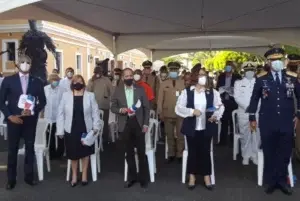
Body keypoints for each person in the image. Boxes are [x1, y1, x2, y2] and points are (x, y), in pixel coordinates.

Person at [247, 48, 300, 195]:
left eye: (279, 60)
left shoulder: (292, 77)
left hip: (286, 121)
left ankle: (282, 182)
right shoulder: (261, 78)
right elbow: (254, 99)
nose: (276, 62)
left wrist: (298, 114)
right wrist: (252, 117)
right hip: (267, 121)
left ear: (283, 61)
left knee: (284, 152)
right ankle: (271, 181)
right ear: (268, 62)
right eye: (273, 60)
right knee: (269, 151)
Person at [0, 54, 46, 190]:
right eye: (22, 62)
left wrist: (33, 111)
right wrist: (9, 116)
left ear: (31, 65)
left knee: (30, 149)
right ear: (18, 64)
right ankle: (11, 179)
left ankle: (29, 177)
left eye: (28, 62)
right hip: (14, 120)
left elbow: (43, 101)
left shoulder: (37, 81)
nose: (25, 64)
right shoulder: (8, 81)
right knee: (12, 150)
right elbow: (1, 102)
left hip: (30, 120)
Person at [175, 64, 224, 190]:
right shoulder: (187, 92)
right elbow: (179, 108)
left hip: (206, 127)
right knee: (192, 152)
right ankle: (192, 176)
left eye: (204, 74)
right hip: (192, 127)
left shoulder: (212, 92)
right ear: (195, 77)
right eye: (200, 74)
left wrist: (215, 116)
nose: (203, 77)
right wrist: (192, 111)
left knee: (205, 151)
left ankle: (207, 176)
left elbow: (219, 106)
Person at [56, 75, 100, 187]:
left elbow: (95, 113)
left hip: (86, 128)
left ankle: (84, 174)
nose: (78, 83)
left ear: (84, 83)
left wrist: (96, 127)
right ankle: (74, 175)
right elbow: (60, 113)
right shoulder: (66, 96)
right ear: (72, 83)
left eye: (80, 81)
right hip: (70, 129)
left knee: (85, 153)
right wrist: (60, 130)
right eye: (75, 81)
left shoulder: (90, 95)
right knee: (73, 154)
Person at [111, 68, 150, 189]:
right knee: (128, 153)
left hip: (138, 123)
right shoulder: (117, 91)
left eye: (130, 75)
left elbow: (146, 108)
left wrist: (145, 124)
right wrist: (120, 110)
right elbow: (113, 106)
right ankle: (132, 177)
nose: (128, 78)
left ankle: (143, 178)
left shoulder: (140, 89)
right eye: (126, 76)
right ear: (123, 78)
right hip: (125, 123)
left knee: (141, 152)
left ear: (133, 77)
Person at [157, 61, 185, 163]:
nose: (173, 71)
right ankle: (171, 154)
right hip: (167, 113)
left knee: (180, 135)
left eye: (175, 70)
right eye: (172, 70)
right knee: (169, 135)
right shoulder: (164, 83)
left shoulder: (182, 82)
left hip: (180, 113)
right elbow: (160, 99)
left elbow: (185, 98)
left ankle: (180, 154)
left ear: (178, 71)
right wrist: (160, 112)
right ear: (169, 70)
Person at [234, 62, 260, 165]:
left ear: (254, 71)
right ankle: (245, 155)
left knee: (256, 135)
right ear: (244, 72)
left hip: (257, 112)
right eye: (247, 70)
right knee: (245, 135)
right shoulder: (238, 83)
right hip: (244, 113)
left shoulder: (259, 82)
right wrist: (248, 107)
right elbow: (237, 97)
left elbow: (262, 98)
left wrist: (255, 108)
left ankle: (255, 155)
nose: (249, 72)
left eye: (251, 70)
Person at [216, 61, 242, 145]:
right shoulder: (221, 76)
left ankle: (232, 141)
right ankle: (222, 141)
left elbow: (240, 88)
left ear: (232, 68)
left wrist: (232, 90)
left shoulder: (237, 76)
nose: (228, 68)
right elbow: (217, 87)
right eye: (227, 66)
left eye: (230, 66)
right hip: (224, 101)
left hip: (233, 102)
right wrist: (222, 89)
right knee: (223, 121)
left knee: (232, 122)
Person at [87, 65, 112, 143]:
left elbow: (111, 91)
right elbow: (88, 91)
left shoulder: (106, 80)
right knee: (95, 124)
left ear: (102, 72)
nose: (97, 74)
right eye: (96, 73)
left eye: (99, 72)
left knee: (104, 123)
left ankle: (105, 140)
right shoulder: (91, 80)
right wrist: (92, 81)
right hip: (94, 106)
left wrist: (109, 98)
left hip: (104, 105)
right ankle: (95, 139)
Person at [44, 73, 66, 160]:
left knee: (60, 135)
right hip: (48, 116)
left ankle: (60, 153)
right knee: (49, 136)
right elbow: (43, 102)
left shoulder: (62, 90)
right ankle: (51, 153)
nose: (55, 81)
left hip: (59, 117)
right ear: (49, 80)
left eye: (56, 80)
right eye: (53, 79)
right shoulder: (45, 89)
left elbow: (65, 102)